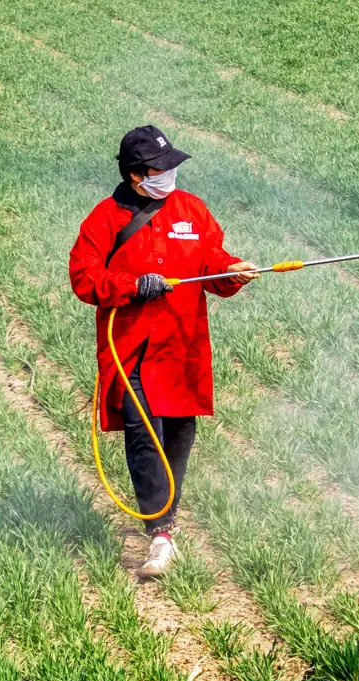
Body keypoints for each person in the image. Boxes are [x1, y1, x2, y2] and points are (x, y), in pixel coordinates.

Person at [69, 125, 256, 578]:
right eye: (160, 168)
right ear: (137, 175)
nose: (170, 173)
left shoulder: (192, 209)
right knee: (143, 434)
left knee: (177, 435)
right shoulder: (105, 219)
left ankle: (165, 516)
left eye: (172, 165)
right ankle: (161, 533)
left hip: (181, 347)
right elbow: (84, 278)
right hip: (130, 349)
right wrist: (132, 286)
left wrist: (232, 270)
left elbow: (210, 263)